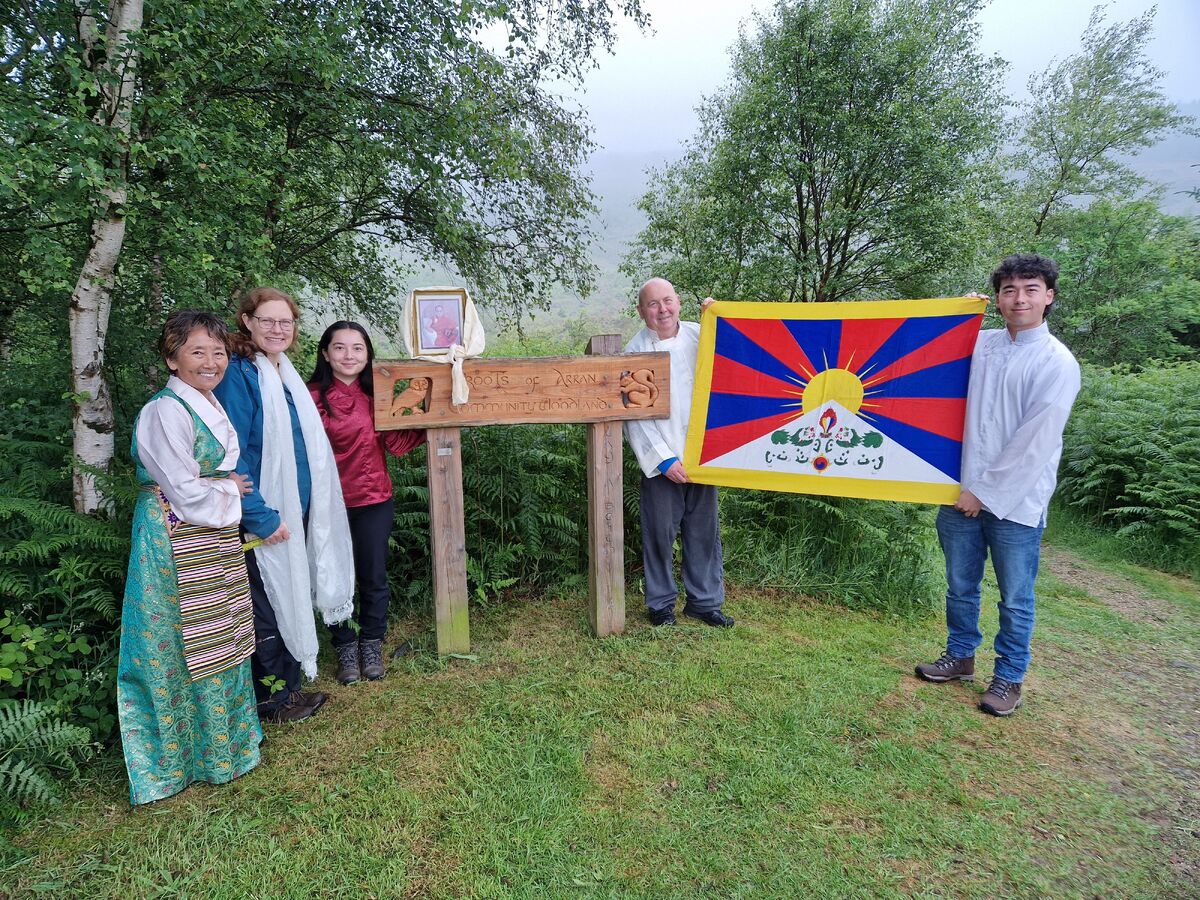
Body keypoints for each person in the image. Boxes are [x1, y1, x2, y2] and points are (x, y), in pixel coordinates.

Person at [916, 253, 1081, 716]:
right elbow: (930, 354)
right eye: (1009, 290)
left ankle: (1009, 678)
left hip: (1016, 502)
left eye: (1030, 289)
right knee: (960, 584)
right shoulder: (982, 345)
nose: (1019, 298)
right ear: (999, 298)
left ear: (1049, 297)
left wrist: (982, 494)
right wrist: (955, 316)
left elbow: (1035, 441)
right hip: (958, 488)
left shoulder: (1056, 362)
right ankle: (960, 655)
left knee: (1016, 597)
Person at [117, 310, 262, 804]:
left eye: (218, 351)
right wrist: (230, 488)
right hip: (174, 537)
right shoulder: (164, 411)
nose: (211, 361)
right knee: (181, 642)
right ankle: (180, 760)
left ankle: (227, 750)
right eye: (197, 351)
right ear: (171, 357)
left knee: (221, 634)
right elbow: (181, 489)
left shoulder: (204, 402)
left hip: (211, 536)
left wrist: (224, 488)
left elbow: (204, 481)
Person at [213, 287, 356, 723]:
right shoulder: (240, 374)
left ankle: (288, 687)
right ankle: (275, 699)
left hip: (298, 508)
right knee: (268, 600)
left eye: (286, 322)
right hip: (265, 512)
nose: (278, 329)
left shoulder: (283, 373)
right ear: (247, 322)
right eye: (268, 320)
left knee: (287, 589)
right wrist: (260, 515)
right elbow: (231, 451)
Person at [309, 322, 426, 684]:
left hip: (374, 497)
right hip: (326, 501)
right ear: (326, 354)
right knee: (332, 573)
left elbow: (398, 441)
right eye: (340, 348)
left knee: (374, 574)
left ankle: (371, 643)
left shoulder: (380, 396)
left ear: (368, 354)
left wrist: (431, 408)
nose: (349, 356)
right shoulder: (308, 397)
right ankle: (344, 646)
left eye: (357, 348)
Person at [623, 277, 732, 628]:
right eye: (653, 304)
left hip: (703, 454)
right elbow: (633, 416)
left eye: (667, 301)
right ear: (641, 311)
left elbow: (735, 354)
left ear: (679, 302)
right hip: (663, 460)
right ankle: (660, 604)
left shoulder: (702, 333)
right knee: (659, 533)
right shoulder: (633, 352)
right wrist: (664, 459)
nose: (662, 310)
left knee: (703, 532)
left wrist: (723, 317)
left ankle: (704, 602)